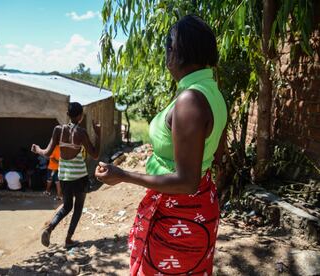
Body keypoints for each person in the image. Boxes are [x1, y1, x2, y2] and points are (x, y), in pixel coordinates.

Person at [95, 15, 227, 275]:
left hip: (179, 214)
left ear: (178, 52)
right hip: (197, 208)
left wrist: (122, 175)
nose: (166, 51)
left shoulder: (190, 99)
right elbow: (218, 153)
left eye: (169, 44)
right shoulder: (211, 91)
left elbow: (186, 181)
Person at [31, 102, 101, 248]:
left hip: (64, 177)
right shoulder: (81, 133)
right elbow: (95, 155)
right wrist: (98, 134)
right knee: (78, 208)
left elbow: (48, 153)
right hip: (80, 177)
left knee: (66, 206)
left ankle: (49, 228)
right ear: (81, 116)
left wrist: (37, 149)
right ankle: (68, 239)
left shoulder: (58, 130)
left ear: (68, 115)